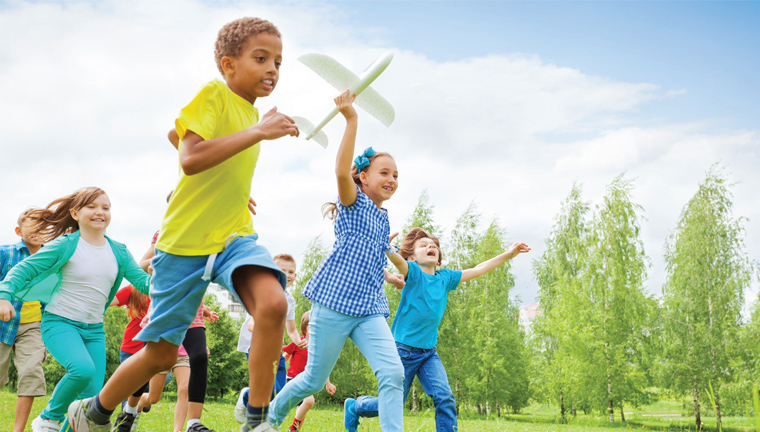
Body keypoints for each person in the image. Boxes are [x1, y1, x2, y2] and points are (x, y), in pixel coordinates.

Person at [66, 17, 299, 432]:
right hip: (183, 245)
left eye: (279, 62)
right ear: (228, 65)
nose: (272, 70)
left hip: (233, 236)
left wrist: (226, 180)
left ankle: (258, 419)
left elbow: (182, 141)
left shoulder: (251, 113)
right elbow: (189, 155)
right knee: (158, 355)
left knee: (274, 303)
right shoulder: (215, 94)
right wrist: (258, 133)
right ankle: (95, 411)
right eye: (261, 58)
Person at [268, 90, 404, 432]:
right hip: (334, 301)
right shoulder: (352, 200)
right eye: (384, 172)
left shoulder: (384, 218)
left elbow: (371, 257)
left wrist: (389, 275)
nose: (391, 180)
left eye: (396, 176)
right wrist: (351, 119)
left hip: (370, 306)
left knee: (393, 373)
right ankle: (267, 418)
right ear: (364, 177)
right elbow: (341, 170)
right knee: (313, 380)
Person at [344, 228, 530, 432]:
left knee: (445, 397)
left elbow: (479, 269)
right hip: (402, 351)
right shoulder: (412, 273)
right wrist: (387, 248)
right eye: (423, 245)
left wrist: (508, 254)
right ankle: (355, 406)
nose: (430, 246)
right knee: (391, 403)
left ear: (439, 257)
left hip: (428, 354)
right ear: (413, 257)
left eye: (433, 245)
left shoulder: (445, 278)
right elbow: (398, 261)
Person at [0, 187, 151, 432]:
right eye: (91, 206)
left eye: (105, 207)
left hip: (94, 330)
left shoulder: (119, 252)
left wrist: (177, 286)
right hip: (60, 322)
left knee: (90, 400)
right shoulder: (65, 245)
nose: (99, 212)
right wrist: (4, 296)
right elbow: (23, 269)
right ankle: (48, 418)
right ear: (75, 212)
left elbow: (144, 283)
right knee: (81, 370)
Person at [234, 253, 308, 425]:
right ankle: (247, 395)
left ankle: (266, 422)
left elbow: (292, 330)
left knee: (281, 392)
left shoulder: (290, 300)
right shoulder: (263, 293)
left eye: (291, 272)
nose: (287, 275)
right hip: (257, 346)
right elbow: (251, 325)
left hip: (276, 349)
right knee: (268, 389)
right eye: (282, 270)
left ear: (295, 276)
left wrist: (299, 342)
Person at [0, 209, 46, 432]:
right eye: (33, 227)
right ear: (19, 231)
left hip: (33, 326)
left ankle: (18, 430)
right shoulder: (6, 252)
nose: (39, 232)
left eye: (44, 228)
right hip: (2, 325)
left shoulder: (52, 258)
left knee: (30, 372)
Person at [281, 311, 336, 432]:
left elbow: (323, 366)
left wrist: (328, 383)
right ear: (304, 329)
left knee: (302, 412)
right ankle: (292, 428)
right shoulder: (298, 342)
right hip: (294, 377)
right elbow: (285, 356)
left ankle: (294, 430)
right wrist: (274, 369)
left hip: (307, 379)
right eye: (312, 325)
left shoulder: (319, 347)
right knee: (309, 400)